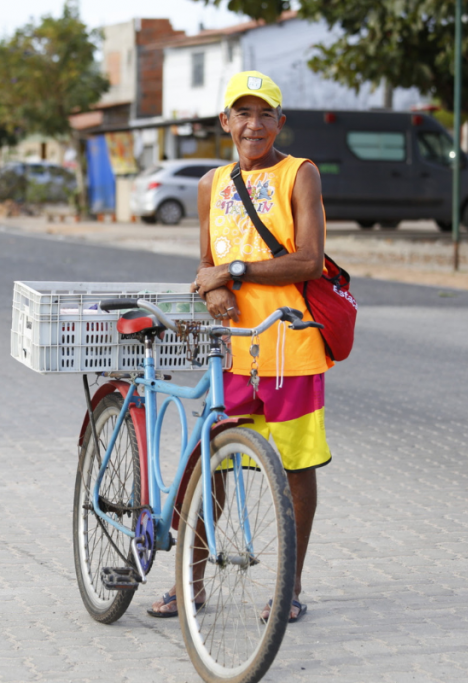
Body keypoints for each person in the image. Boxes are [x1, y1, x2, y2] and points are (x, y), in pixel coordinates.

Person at [148, 71, 332, 624]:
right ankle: (190, 583)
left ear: (280, 121)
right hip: (230, 350)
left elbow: (310, 260)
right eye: (242, 114)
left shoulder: (299, 174)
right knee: (213, 466)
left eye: (265, 114)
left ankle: (290, 586)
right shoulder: (212, 184)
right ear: (224, 121)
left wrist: (235, 269)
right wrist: (215, 285)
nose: (254, 125)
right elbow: (206, 264)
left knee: (295, 470)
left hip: (290, 348)